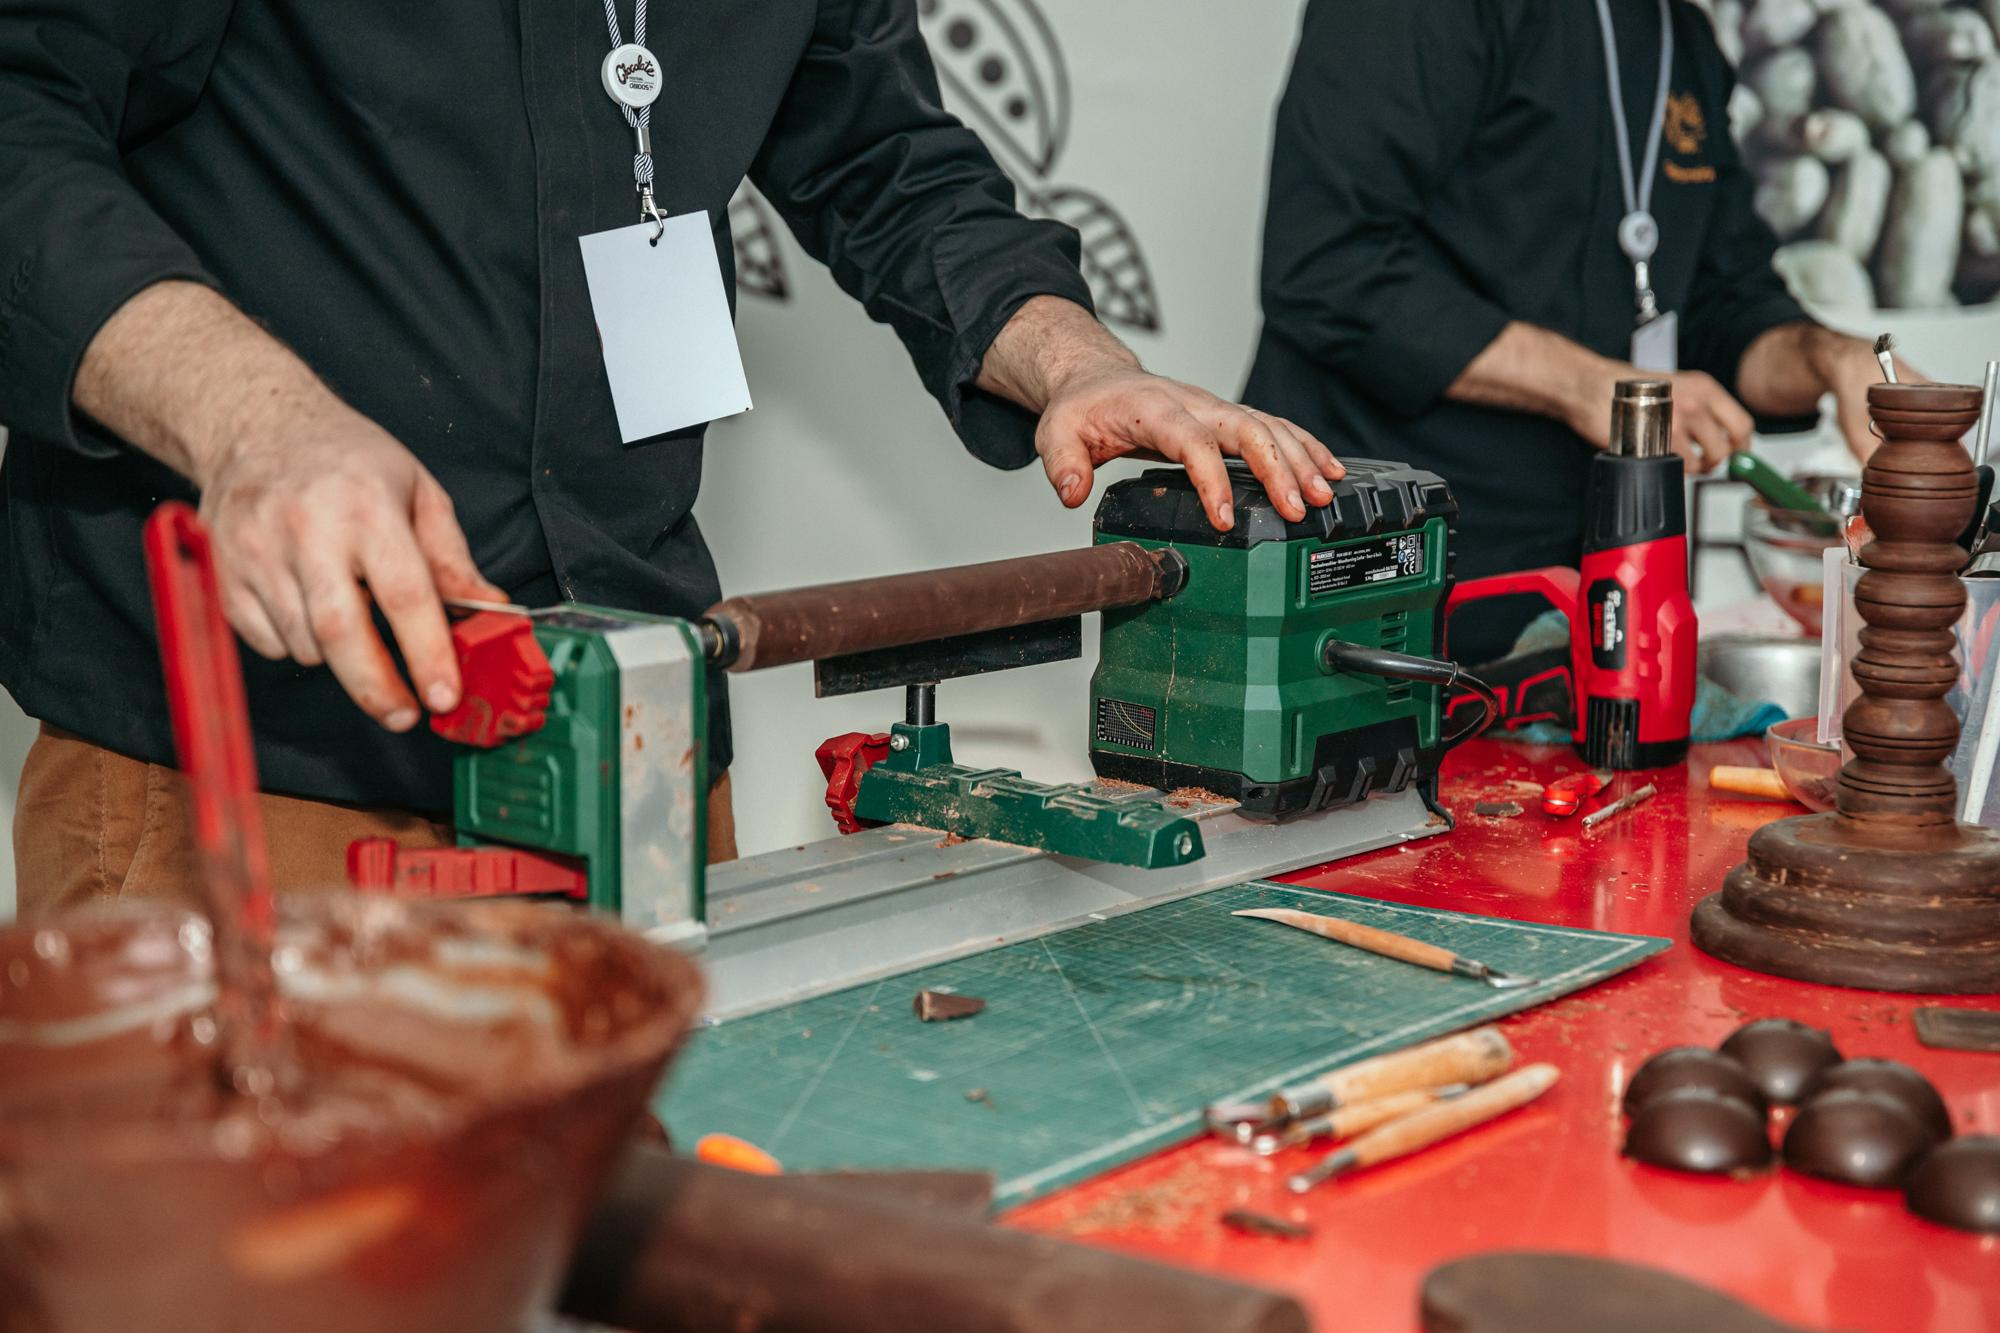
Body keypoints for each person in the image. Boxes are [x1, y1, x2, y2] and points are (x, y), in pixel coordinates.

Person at [0, 0, 1342, 918]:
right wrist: (253, 419)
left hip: (632, 746)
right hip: (252, 771)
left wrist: (1080, 366)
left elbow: (886, 157)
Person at [1243, 0, 1915, 663]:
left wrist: (1832, 360)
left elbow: (1724, 305)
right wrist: (1589, 385)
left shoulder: (1680, 36)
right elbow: (1325, 263)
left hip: (1562, 618)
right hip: (1355, 588)